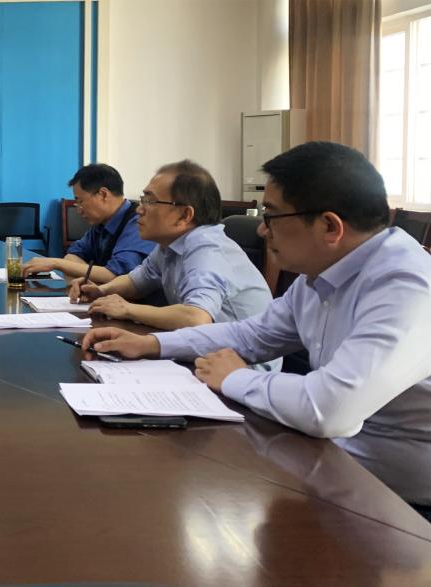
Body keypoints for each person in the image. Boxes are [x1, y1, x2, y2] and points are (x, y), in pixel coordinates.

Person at [82, 142, 431, 515]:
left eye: (272, 215)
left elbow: (330, 409)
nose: (263, 230)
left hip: (402, 507)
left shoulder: (406, 287)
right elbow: (250, 335)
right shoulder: (319, 276)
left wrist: (235, 378)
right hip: (330, 466)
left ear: (329, 226)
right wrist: (151, 344)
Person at [70, 160, 274, 334]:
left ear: (185, 215)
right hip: (204, 346)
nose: (139, 209)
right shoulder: (170, 245)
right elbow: (137, 282)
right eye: (142, 200)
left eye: (150, 201)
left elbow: (196, 317)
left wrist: (127, 309)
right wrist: (101, 291)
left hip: (242, 360)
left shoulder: (207, 249)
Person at [22, 164, 155, 282]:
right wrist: (89, 282)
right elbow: (72, 255)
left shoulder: (138, 223)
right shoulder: (101, 224)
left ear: (103, 194)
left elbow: (116, 275)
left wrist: (56, 263)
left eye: (80, 201)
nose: (79, 210)